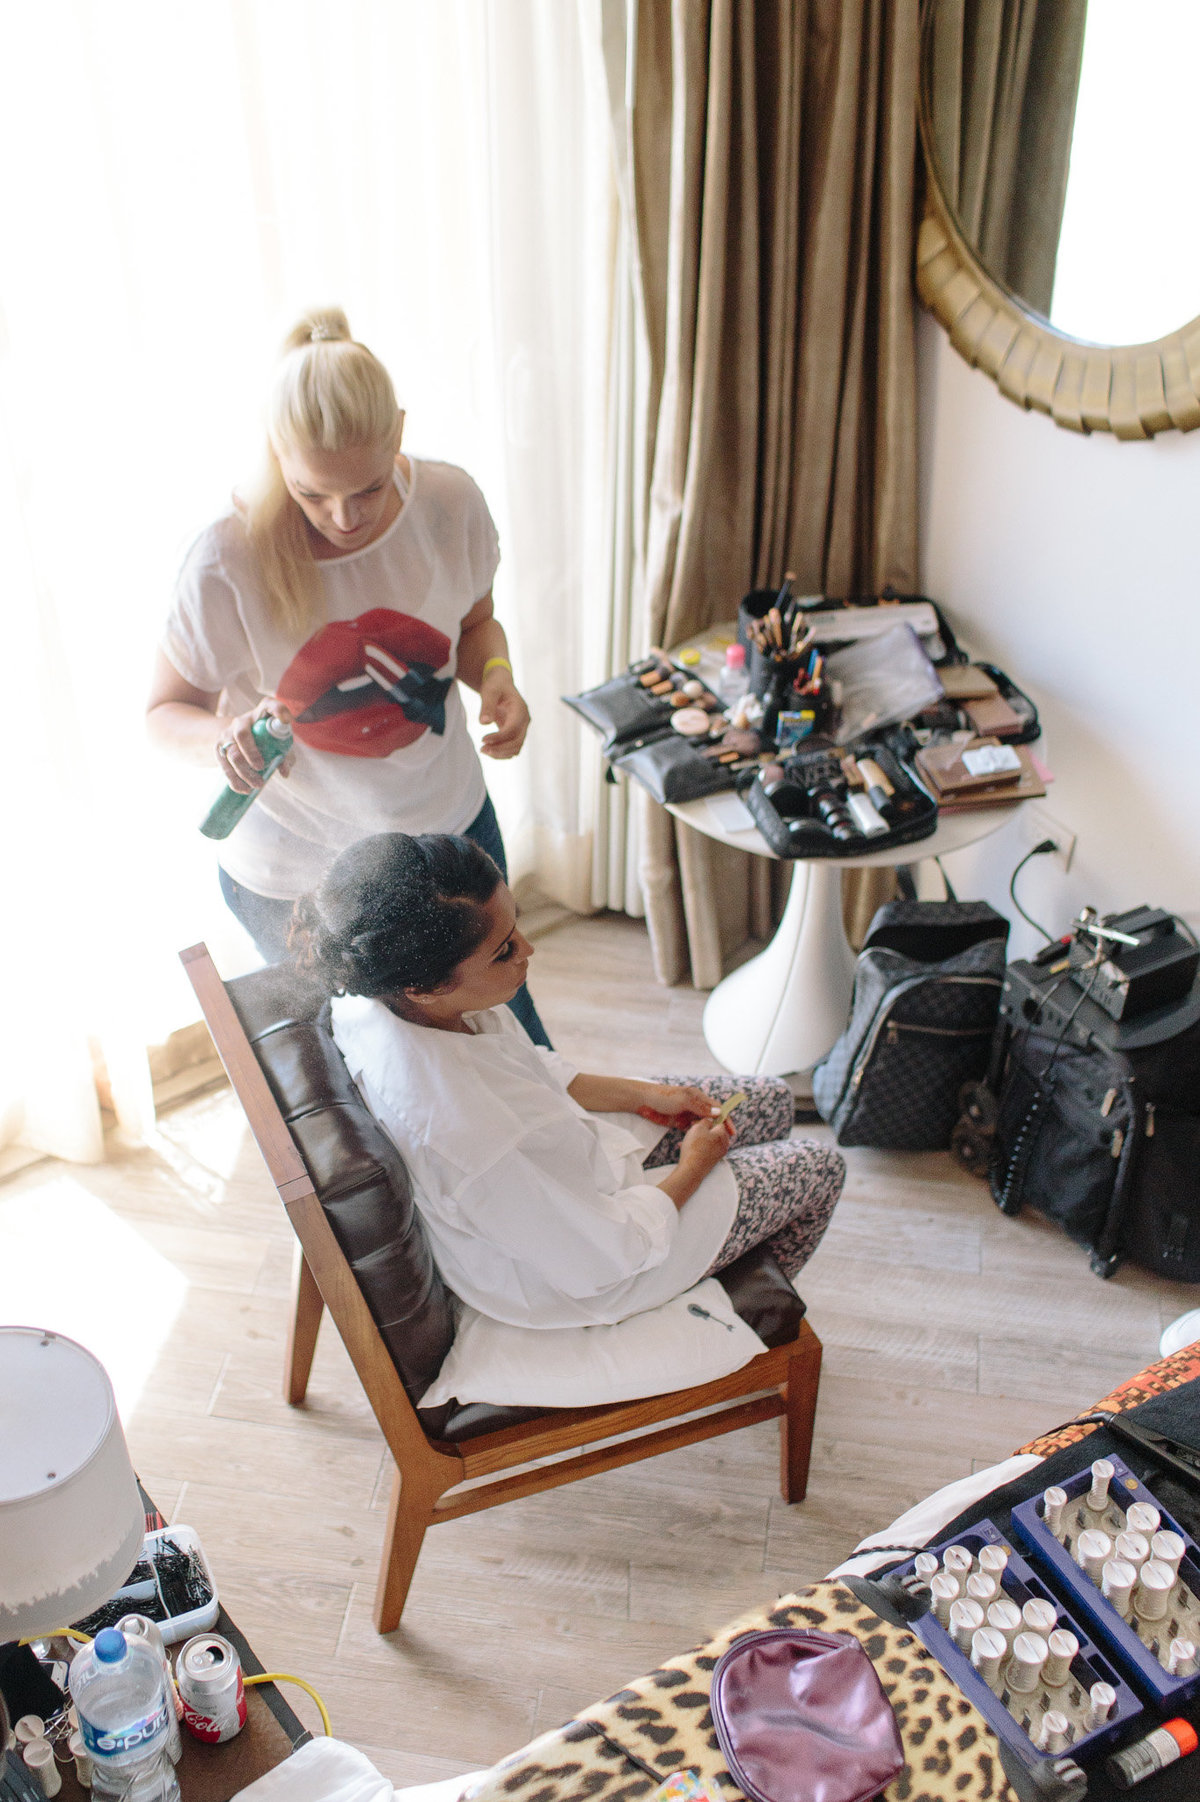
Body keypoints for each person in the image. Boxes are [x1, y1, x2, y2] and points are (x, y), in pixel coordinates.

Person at [147, 306, 549, 1046]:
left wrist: (496, 676)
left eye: (366, 489)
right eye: (312, 494)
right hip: (302, 872)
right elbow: (165, 711)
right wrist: (222, 738)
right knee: (368, 1072)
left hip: (446, 827)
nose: (343, 517)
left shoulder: (449, 504)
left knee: (510, 1040)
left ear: (398, 431)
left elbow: (473, 626)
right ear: (276, 454)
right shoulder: (224, 558)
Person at [290, 832, 845, 1330]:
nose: (528, 950)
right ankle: (735, 1311)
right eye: (505, 950)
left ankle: (730, 1249)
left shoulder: (384, 995)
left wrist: (645, 1093)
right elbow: (601, 1256)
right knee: (821, 1168)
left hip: (566, 1178)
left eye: (517, 925)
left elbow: (530, 1068)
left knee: (767, 1101)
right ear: (426, 986)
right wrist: (696, 1165)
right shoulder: (470, 1136)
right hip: (575, 1274)